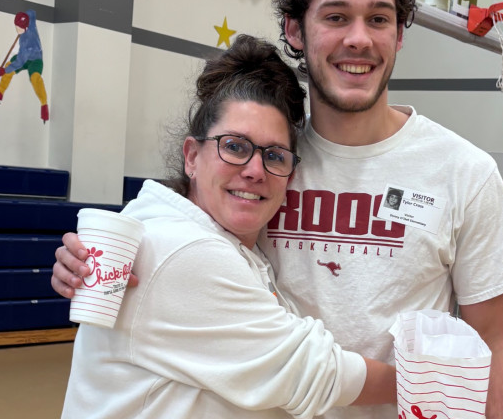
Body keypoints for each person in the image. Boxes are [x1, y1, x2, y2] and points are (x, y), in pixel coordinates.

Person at [53, 0, 503, 419]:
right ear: (296, 30)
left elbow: (494, 341)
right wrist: (88, 262)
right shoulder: (268, 160)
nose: (359, 39)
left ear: (399, 36)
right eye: (336, 17)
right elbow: (178, 229)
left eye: (379, 19)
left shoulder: (464, 172)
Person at [61, 35, 397, 418]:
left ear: (290, 175)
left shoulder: (229, 242)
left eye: (275, 155)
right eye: (235, 146)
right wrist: (428, 381)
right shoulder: (185, 250)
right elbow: (314, 372)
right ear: (192, 156)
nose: (255, 171)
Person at [0, 10, 49, 122]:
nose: (17, 29)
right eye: (16, 26)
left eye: (19, 27)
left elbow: (20, 62)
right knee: (9, 64)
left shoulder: (27, 43)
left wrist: (4, 71)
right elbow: (32, 13)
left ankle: (44, 105)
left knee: (35, 78)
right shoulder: (31, 23)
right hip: (24, 57)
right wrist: (25, 15)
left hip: (35, 60)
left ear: (24, 27)